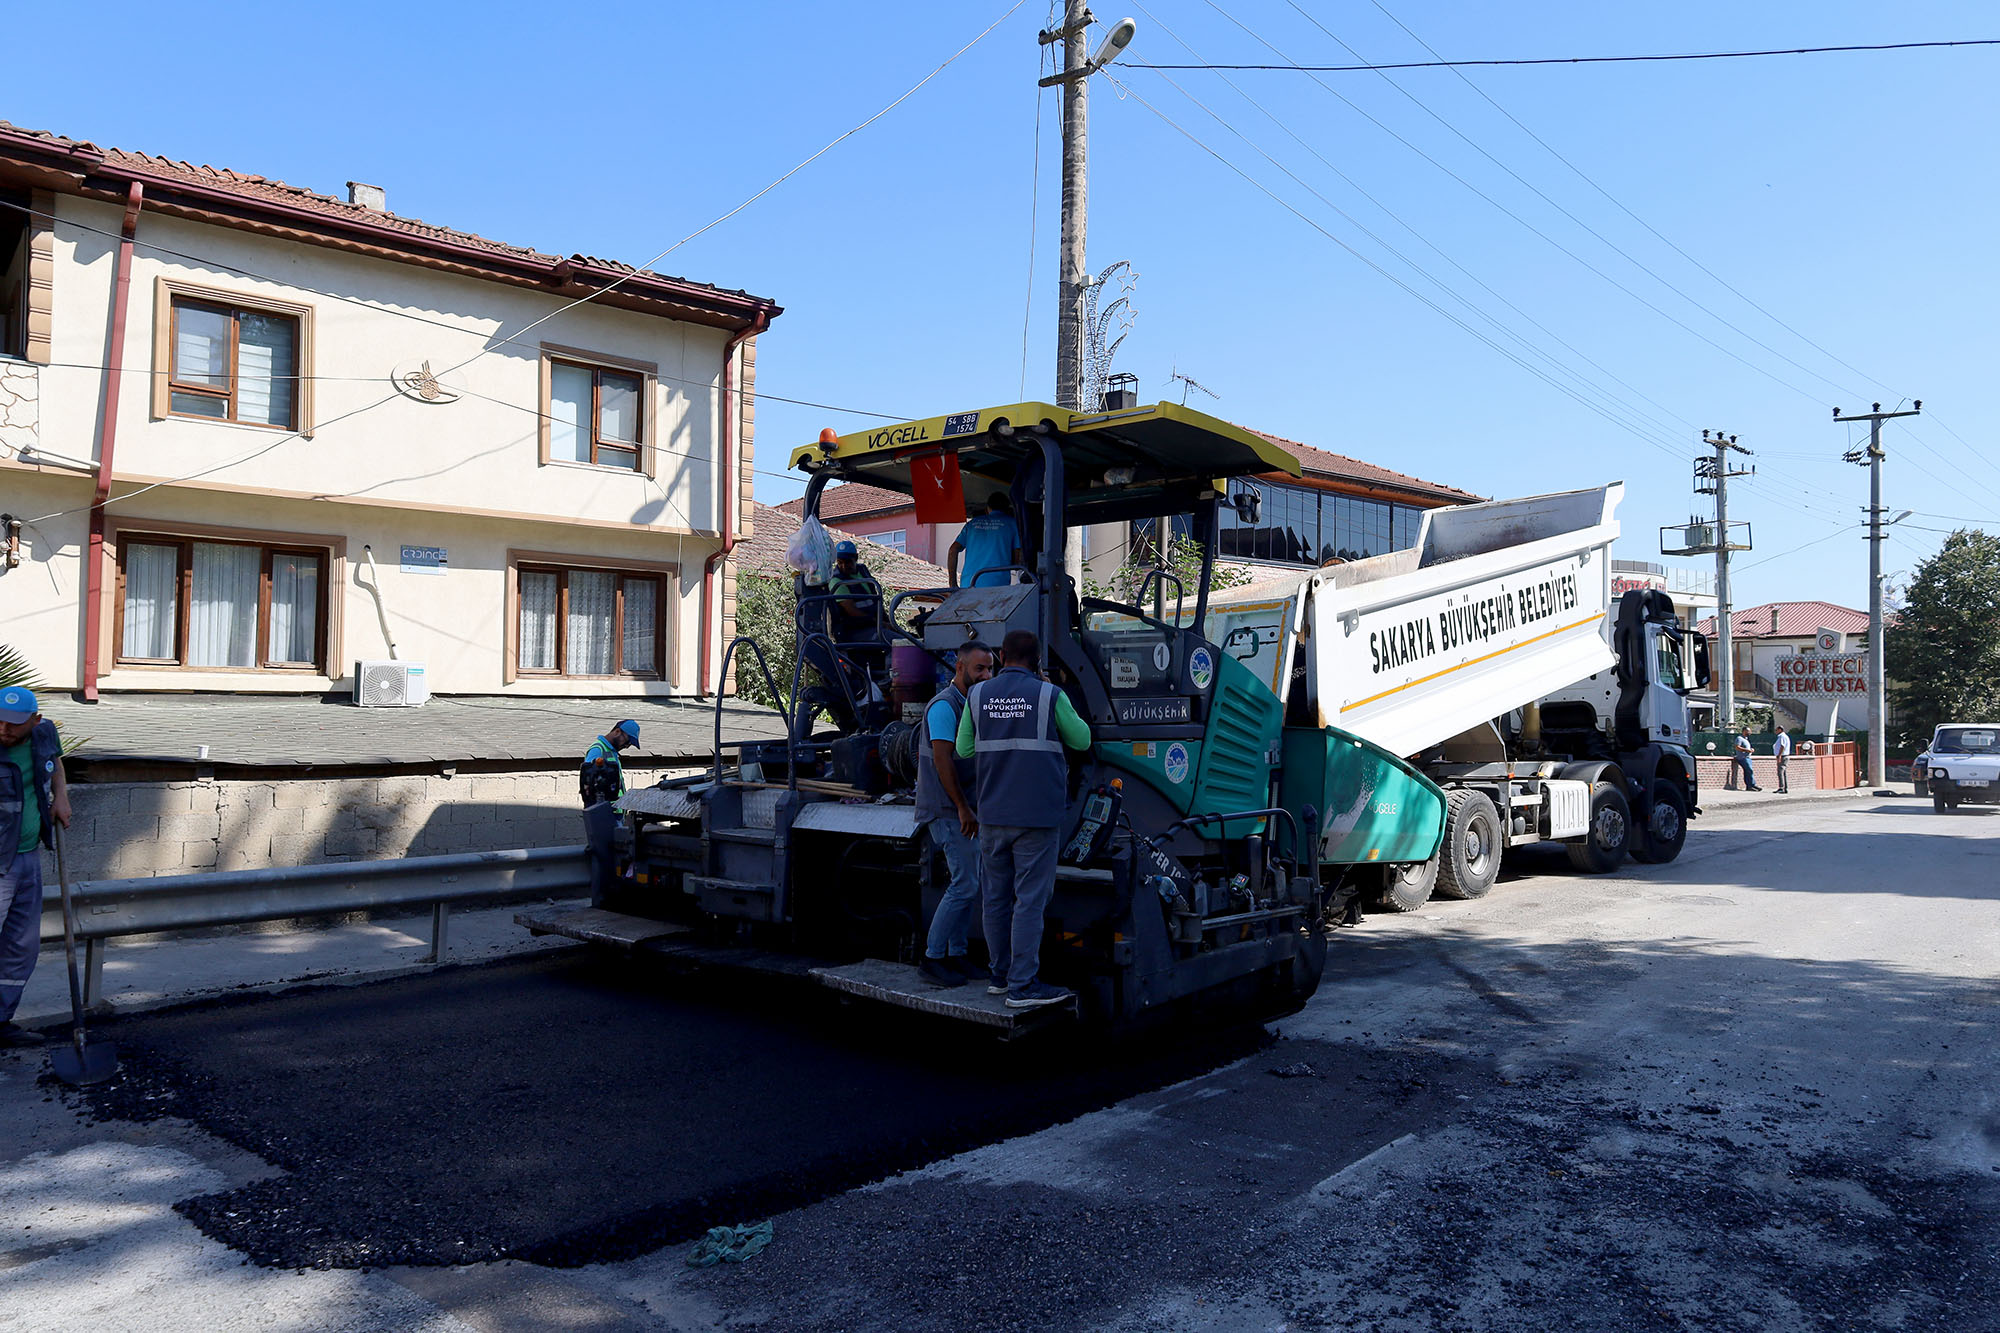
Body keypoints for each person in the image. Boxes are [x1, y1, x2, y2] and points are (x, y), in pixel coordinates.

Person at [955, 630, 1092, 1010]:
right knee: (1029, 902)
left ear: (1001, 655)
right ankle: (1023, 985)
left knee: (995, 899)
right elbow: (1082, 741)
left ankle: (999, 977)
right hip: (1036, 817)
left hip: (992, 814)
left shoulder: (978, 695)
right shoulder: (1050, 695)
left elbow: (964, 749)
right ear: (1037, 660)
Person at [914, 643, 995, 987]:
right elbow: (943, 762)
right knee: (964, 884)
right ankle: (932, 958)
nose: (987, 676)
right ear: (959, 668)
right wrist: (963, 807)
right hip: (947, 810)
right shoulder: (944, 707)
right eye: (979, 669)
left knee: (968, 884)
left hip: (962, 809)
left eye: (990, 668)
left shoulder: (969, 704)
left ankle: (957, 955)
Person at [1, 686, 71, 1047]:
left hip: (28, 856)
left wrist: (60, 796)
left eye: (13, 724)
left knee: (20, 945)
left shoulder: (44, 732)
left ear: (35, 720)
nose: (4, 730)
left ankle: (1, 1020)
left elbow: (54, 762)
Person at [580, 720, 640, 904]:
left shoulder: (612, 752)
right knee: (606, 858)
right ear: (617, 732)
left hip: (614, 815)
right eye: (627, 740)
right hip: (605, 817)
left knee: (617, 858)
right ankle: (603, 898)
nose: (627, 745)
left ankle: (612, 896)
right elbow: (589, 783)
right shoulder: (597, 750)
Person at [949, 493, 1023, 589]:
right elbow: (1018, 558)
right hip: (997, 585)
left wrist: (952, 584)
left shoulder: (972, 524)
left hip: (969, 584)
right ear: (1007, 508)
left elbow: (953, 550)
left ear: (988, 508)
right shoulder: (1013, 524)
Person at [827, 541, 883, 643]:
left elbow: (875, 600)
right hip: (854, 631)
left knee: (909, 638)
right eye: (840, 562)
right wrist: (878, 623)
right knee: (895, 642)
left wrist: (887, 622)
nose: (843, 566)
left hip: (873, 625)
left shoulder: (863, 571)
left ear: (856, 558)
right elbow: (852, 611)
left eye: (847, 562)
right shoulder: (837, 581)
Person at [1733, 726, 1761, 792]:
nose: (1750, 732)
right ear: (1744, 731)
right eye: (1748, 731)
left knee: (1748, 771)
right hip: (1742, 758)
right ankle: (1751, 785)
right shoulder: (1739, 738)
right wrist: (1746, 750)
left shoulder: (1746, 739)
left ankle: (1750, 785)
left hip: (1748, 757)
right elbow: (1737, 747)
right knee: (1749, 770)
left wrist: (1751, 750)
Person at [1774, 727, 1793, 794]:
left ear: (1780, 730)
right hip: (1783, 756)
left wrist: (1779, 755)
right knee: (1783, 772)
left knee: (1780, 772)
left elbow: (1782, 746)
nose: (1775, 731)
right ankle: (1784, 788)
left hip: (1783, 756)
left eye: (1776, 730)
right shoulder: (1783, 736)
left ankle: (1781, 787)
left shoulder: (1782, 736)